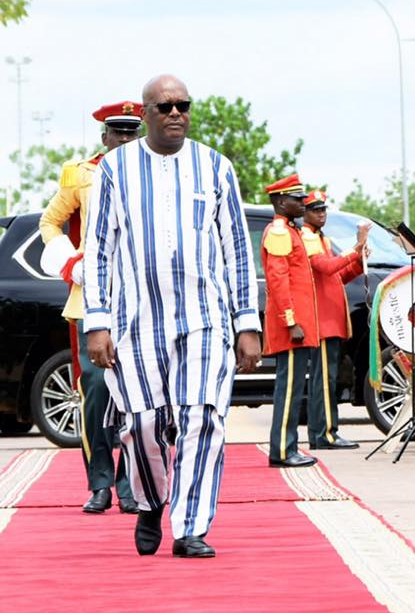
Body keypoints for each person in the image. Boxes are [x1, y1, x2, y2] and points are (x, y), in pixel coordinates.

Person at [83, 74, 261, 559]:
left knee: (203, 417)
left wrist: (247, 323)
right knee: (143, 423)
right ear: (146, 114)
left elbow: (237, 250)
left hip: (204, 319)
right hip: (136, 322)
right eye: (165, 106)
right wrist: (97, 321)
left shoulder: (216, 167)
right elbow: (97, 250)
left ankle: (190, 527)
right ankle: (150, 501)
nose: (176, 113)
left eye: (183, 104)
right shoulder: (115, 169)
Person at [39, 101, 142, 515]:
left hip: (140, 298)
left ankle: (132, 483)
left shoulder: (155, 173)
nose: (125, 140)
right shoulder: (81, 174)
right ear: (105, 137)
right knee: (96, 392)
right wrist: (69, 262)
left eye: (132, 133)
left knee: (137, 397)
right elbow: (50, 222)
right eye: (118, 133)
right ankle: (100, 482)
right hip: (92, 297)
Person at [301, 189, 369, 450]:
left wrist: (358, 260)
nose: (322, 214)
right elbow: (327, 267)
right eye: (316, 210)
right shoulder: (307, 237)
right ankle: (324, 434)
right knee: (323, 381)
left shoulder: (321, 239)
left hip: (331, 321)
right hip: (322, 321)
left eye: (323, 210)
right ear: (305, 213)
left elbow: (337, 277)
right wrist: (356, 248)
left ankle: (326, 432)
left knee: (329, 379)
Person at [261, 174, 319, 468]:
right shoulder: (280, 232)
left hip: (299, 325)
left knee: (294, 390)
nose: (303, 203)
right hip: (292, 327)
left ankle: (288, 446)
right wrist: (290, 321)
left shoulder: (291, 231)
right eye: (297, 199)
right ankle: (283, 450)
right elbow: (278, 280)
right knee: (289, 391)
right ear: (282, 202)